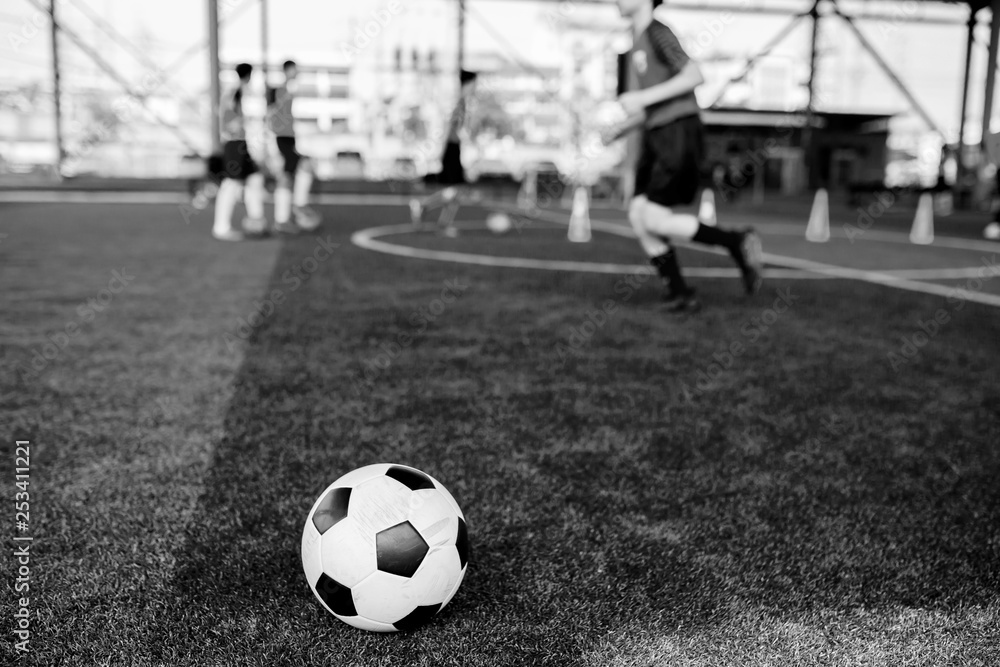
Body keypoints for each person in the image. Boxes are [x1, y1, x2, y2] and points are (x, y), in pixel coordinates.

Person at [616, 0, 763, 311]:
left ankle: (736, 241)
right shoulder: (637, 40)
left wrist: (641, 97)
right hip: (657, 135)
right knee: (637, 214)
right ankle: (680, 292)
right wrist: (623, 127)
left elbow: (694, 74)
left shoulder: (657, 32)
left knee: (653, 216)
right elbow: (660, 102)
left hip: (677, 133)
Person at [410, 69, 478, 236]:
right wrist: (446, 149)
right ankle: (424, 205)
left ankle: (443, 224)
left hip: (453, 148)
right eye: (474, 84)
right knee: (454, 190)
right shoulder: (461, 102)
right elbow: (452, 127)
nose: (475, 87)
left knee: (456, 193)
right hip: (452, 149)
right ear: (468, 84)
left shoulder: (463, 102)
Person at [213, 63, 268, 241]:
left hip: (240, 143)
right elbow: (226, 113)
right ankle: (221, 228)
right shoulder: (236, 91)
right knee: (231, 184)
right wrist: (235, 123)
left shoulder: (234, 91)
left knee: (255, 177)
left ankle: (255, 220)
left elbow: (220, 110)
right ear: (249, 75)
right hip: (234, 143)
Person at [266, 59, 321, 233]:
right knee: (291, 172)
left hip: (288, 138)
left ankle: (292, 211)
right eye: (294, 70)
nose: (297, 73)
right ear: (287, 70)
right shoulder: (279, 90)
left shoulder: (288, 90)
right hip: (280, 138)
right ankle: (290, 213)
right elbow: (270, 115)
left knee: (295, 171)